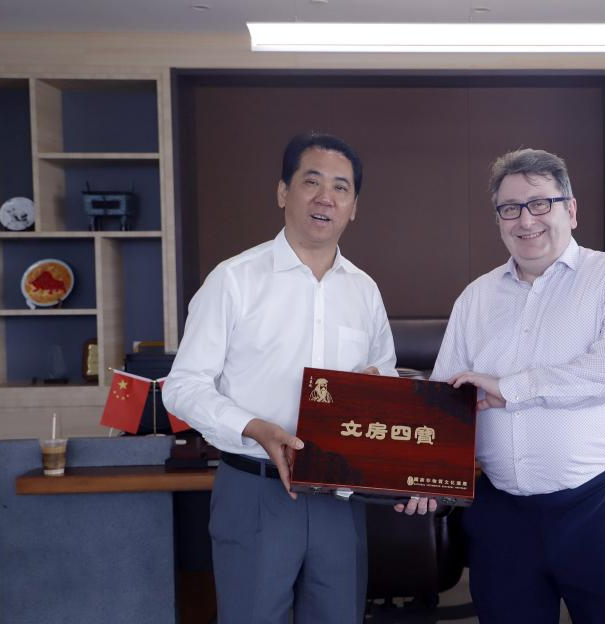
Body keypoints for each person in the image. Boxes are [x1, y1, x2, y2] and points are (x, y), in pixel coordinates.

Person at [163, 132, 432, 624]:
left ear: (354, 207)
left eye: (341, 188)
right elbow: (183, 388)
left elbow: (386, 384)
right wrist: (255, 428)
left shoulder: (364, 291)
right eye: (311, 182)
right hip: (255, 489)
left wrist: (378, 395)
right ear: (283, 192)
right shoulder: (234, 279)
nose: (325, 197)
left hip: (340, 498)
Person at [431, 148, 605, 623]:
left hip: (598, 507)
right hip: (501, 515)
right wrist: (420, 476)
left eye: (539, 203)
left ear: (570, 210)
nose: (525, 220)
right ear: (499, 220)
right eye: (510, 208)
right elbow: (443, 399)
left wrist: (510, 387)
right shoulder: (475, 298)